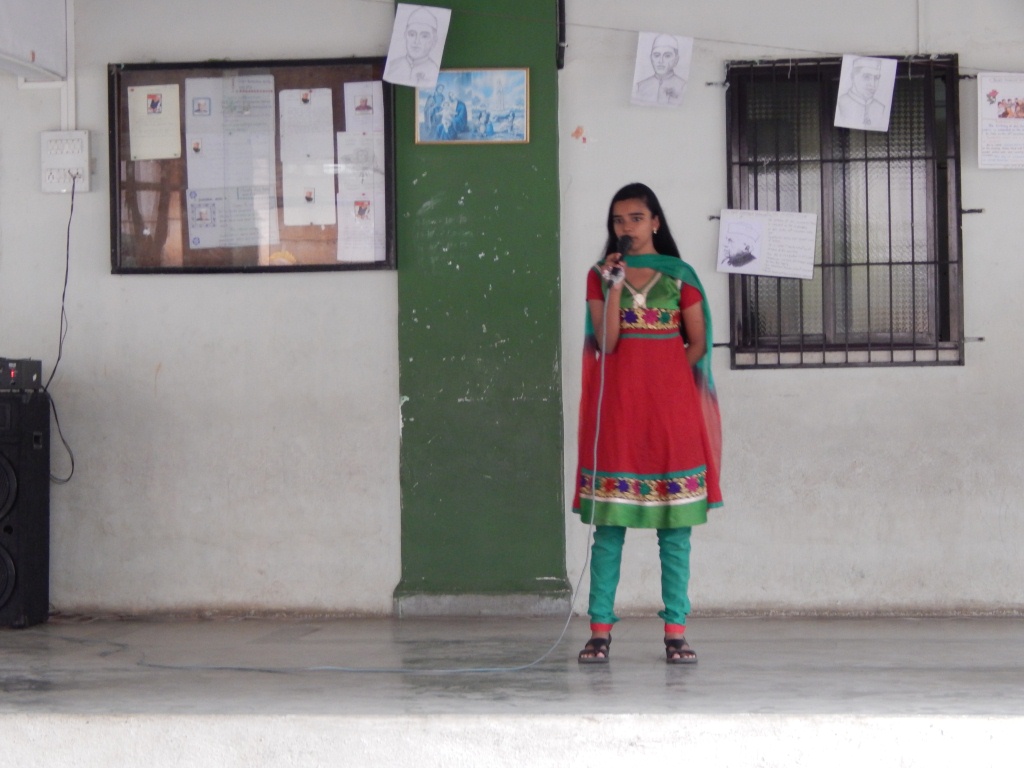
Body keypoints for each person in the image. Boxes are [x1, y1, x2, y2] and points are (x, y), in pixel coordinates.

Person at [574, 183, 723, 665]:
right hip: (619, 415)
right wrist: (615, 287)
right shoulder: (600, 277)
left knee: (675, 531)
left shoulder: (681, 277)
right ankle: (599, 631)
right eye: (618, 220)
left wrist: (668, 380)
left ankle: (676, 632)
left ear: (655, 221)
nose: (627, 228)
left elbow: (697, 343)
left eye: (636, 218)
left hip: (670, 416)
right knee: (609, 529)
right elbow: (608, 343)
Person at [634, 35, 688, 106]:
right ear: (651, 58)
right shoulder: (640, 86)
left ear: (676, 60)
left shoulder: (683, 86)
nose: (660, 61)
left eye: (667, 56)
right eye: (656, 55)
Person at [836, 57, 887, 128]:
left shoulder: (881, 107)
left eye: (876, 78)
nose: (872, 84)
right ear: (853, 77)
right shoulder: (840, 103)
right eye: (866, 77)